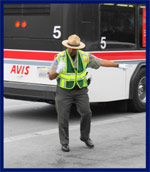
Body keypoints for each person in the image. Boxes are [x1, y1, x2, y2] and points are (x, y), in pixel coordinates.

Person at [49, 34, 130, 152]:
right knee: (63, 117)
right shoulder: (59, 57)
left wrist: (117, 65)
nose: (72, 49)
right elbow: (50, 77)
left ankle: (85, 137)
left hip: (80, 90)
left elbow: (101, 62)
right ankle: (64, 143)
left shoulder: (85, 57)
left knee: (86, 113)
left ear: (78, 48)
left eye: (75, 48)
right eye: (70, 47)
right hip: (64, 91)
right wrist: (57, 71)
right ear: (67, 46)